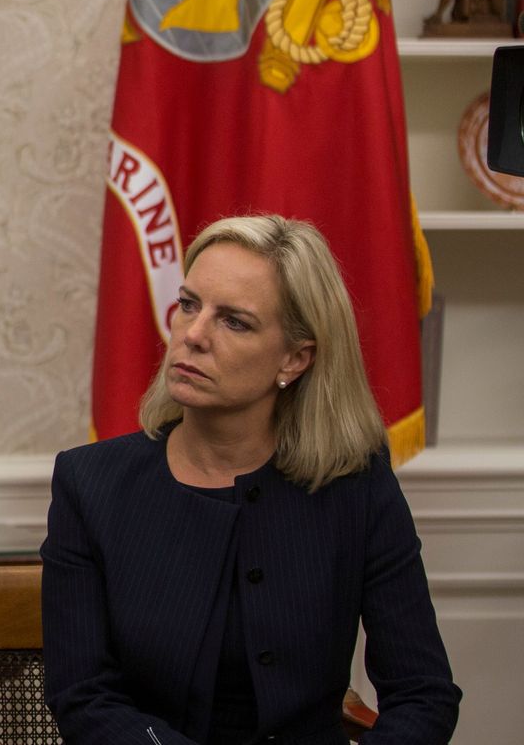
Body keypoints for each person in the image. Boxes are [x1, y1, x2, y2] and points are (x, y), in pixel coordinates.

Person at [42, 215, 459, 744]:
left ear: (295, 357)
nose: (192, 336)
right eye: (189, 305)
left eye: (233, 321)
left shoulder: (356, 482)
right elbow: (83, 696)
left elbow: (423, 694)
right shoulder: (90, 484)